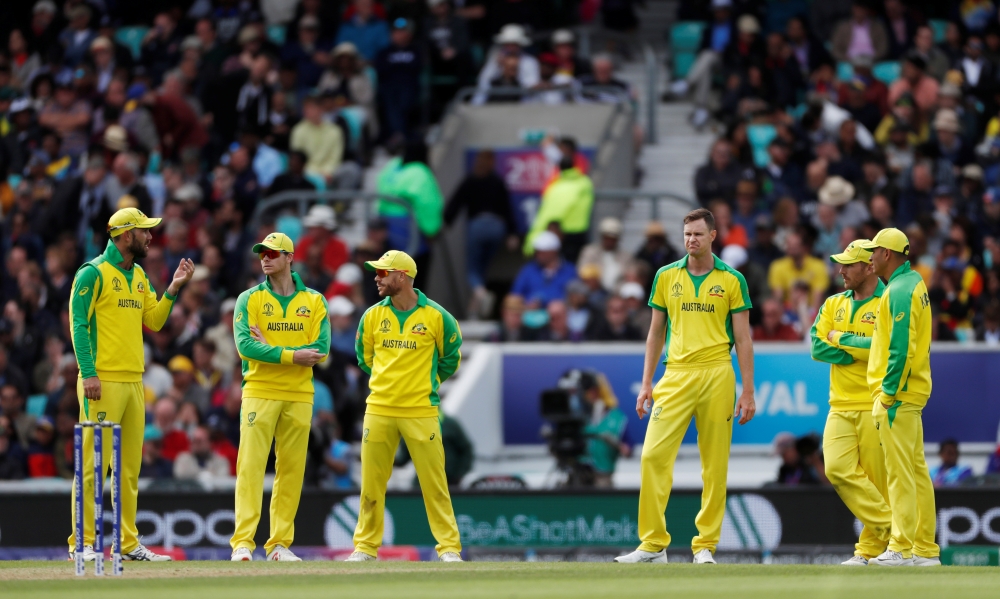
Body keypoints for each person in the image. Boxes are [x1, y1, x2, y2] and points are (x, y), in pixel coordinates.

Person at [616, 209, 756, 565]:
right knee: (652, 456)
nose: (691, 239)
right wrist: (647, 383)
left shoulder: (732, 279)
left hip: (716, 373)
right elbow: (654, 334)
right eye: (687, 234)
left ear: (713, 236)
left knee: (714, 464)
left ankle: (705, 545)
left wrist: (749, 390)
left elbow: (743, 338)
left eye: (697, 234)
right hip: (675, 374)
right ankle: (653, 544)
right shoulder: (665, 276)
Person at [68, 207, 195, 563]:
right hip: (101, 380)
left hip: (134, 381)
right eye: (144, 231)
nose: (151, 237)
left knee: (128, 470)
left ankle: (126, 542)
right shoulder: (92, 273)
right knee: (94, 466)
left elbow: (154, 322)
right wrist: (89, 372)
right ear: (125, 236)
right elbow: (78, 325)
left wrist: (173, 287)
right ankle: (82, 544)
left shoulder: (138, 274)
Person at [349, 250, 463, 562]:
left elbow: (451, 358)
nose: (377, 277)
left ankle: (449, 548)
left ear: (402, 276)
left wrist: (422, 384)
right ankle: (365, 548)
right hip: (380, 408)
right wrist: (390, 384)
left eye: (383, 273)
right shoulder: (372, 316)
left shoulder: (438, 317)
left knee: (434, 482)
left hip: (420, 410)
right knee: (371, 483)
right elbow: (365, 357)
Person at [230, 232, 330, 562]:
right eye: (262, 253)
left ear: (289, 258)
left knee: (290, 471)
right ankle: (243, 543)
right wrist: (290, 354)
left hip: (300, 395)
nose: (265, 258)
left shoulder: (315, 300)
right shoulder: (249, 299)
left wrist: (269, 347)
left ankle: (279, 546)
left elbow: (321, 350)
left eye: (273, 253)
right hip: (259, 391)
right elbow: (246, 346)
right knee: (251, 467)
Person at [860, 228, 940, 566]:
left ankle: (901, 547)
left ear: (887, 254)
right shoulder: (914, 282)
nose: (870, 257)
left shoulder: (900, 291)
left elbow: (900, 348)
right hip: (913, 391)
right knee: (916, 471)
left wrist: (888, 394)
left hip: (899, 394)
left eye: (874, 251)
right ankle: (924, 549)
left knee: (900, 474)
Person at [811, 240, 892, 566]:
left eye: (848, 265)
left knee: (877, 481)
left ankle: (869, 551)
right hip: (840, 404)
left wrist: (840, 339)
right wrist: (860, 349)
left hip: (875, 402)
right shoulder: (833, 303)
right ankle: (894, 530)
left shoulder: (888, 300)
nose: (840, 270)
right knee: (836, 469)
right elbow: (817, 347)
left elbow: (884, 348)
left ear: (869, 267)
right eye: (839, 264)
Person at [523, 147, 595, 263]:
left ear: (558, 169)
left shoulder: (556, 187)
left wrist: (531, 242)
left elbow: (547, 215)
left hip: (563, 234)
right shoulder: (585, 182)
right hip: (581, 233)